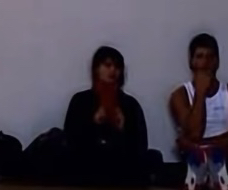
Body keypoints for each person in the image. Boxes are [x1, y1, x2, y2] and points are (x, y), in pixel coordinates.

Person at [62, 45, 159, 186]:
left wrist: (122, 129)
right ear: (96, 69)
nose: (113, 70)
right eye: (107, 65)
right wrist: (94, 123)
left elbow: (140, 146)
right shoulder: (81, 100)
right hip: (88, 165)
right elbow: (71, 140)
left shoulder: (130, 104)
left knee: (153, 158)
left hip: (121, 167)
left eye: (117, 67)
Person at [169, 33, 228, 190]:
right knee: (189, 159)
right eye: (200, 57)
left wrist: (206, 148)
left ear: (217, 62)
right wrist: (200, 93)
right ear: (191, 62)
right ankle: (202, 176)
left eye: (210, 57)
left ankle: (214, 175)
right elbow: (194, 133)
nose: (205, 63)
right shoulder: (180, 95)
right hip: (192, 156)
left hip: (225, 154)